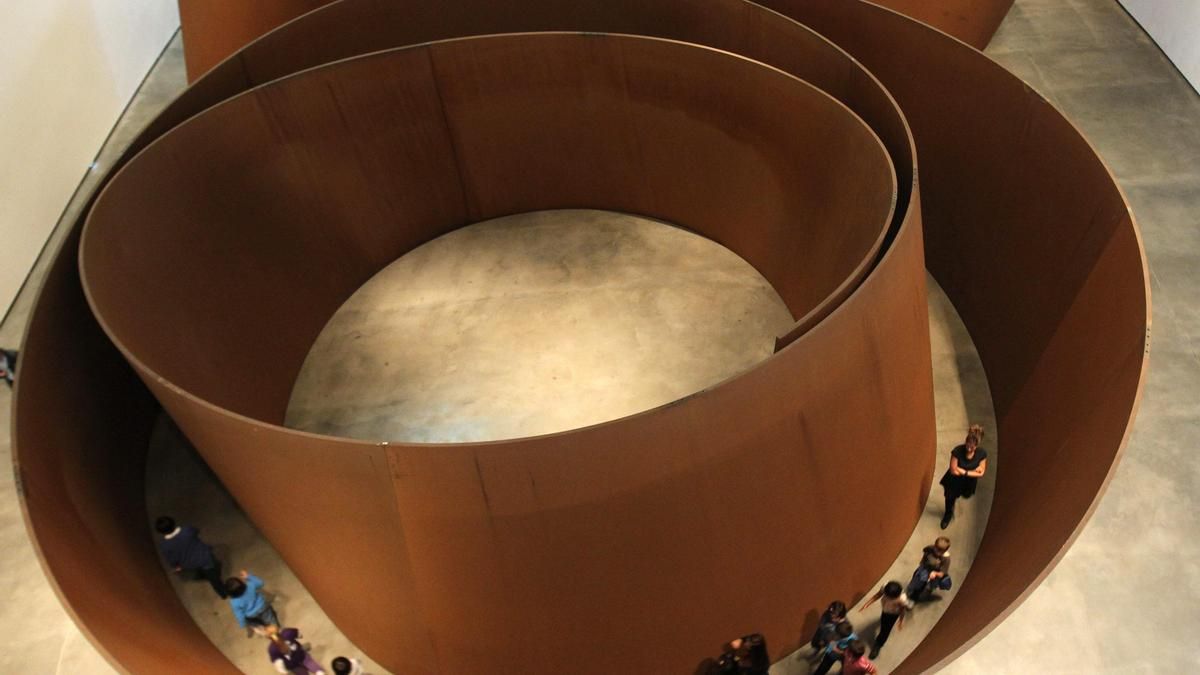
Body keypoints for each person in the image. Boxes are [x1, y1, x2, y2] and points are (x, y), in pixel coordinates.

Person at [154, 516, 226, 598]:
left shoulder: (164, 545)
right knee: (214, 579)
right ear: (173, 523)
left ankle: (211, 582)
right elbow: (196, 531)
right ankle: (223, 592)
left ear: (161, 532)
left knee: (202, 572)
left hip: (188, 564)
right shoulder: (187, 530)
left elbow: (171, 559)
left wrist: (176, 566)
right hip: (204, 558)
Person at [939, 424, 989, 529]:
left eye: (972, 446)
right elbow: (953, 470)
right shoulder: (957, 451)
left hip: (968, 482)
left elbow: (981, 472)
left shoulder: (981, 454)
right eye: (967, 444)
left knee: (966, 495)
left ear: (977, 446)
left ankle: (954, 501)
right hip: (954, 481)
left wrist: (964, 471)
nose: (969, 448)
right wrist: (973, 471)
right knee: (949, 498)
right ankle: (948, 514)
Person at [858, 581, 912, 658]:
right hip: (885, 610)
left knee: (885, 630)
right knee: (883, 621)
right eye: (886, 596)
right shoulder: (885, 587)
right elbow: (877, 595)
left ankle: (878, 644)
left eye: (890, 598)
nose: (887, 598)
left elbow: (901, 610)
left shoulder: (902, 599)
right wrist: (867, 604)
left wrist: (900, 621)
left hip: (893, 614)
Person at [226, 569, 280, 634]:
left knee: (251, 622)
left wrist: (243, 624)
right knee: (270, 618)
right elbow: (260, 583)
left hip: (252, 615)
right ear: (241, 583)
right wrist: (248, 576)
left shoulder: (234, 602)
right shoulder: (250, 585)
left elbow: (239, 615)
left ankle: (261, 629)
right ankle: (275, 628)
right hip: (263, 607)